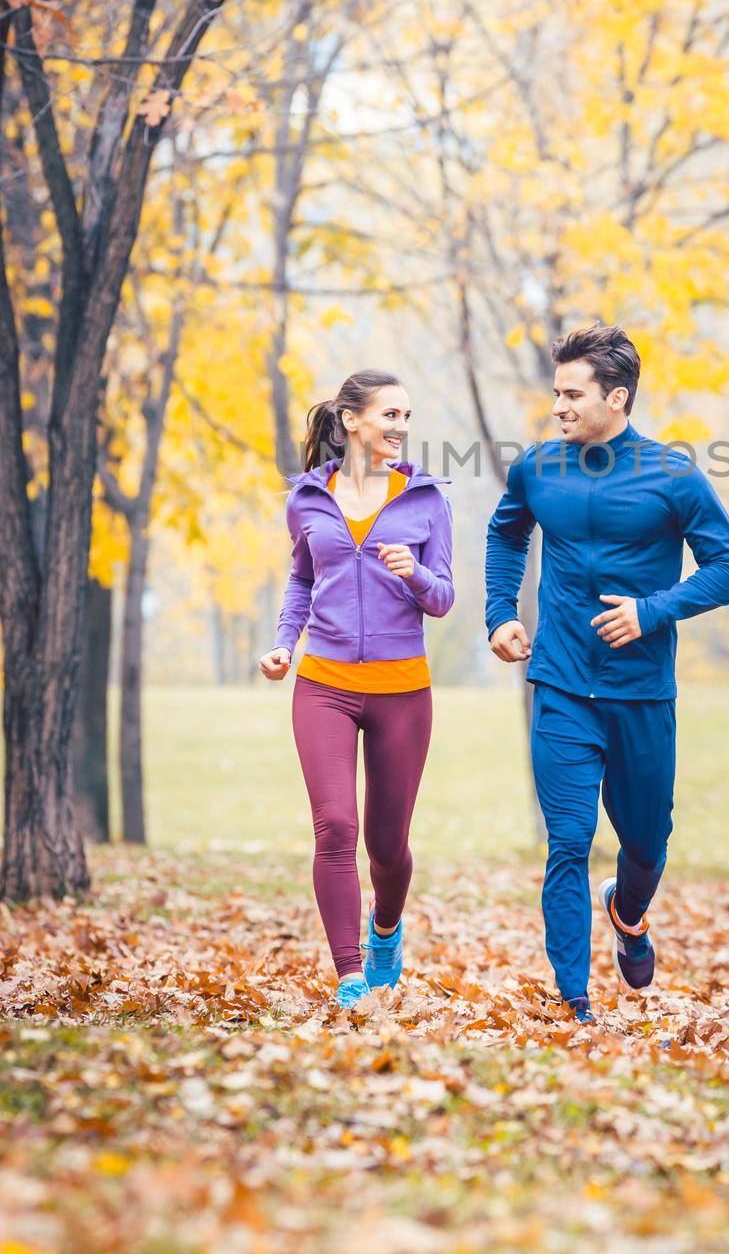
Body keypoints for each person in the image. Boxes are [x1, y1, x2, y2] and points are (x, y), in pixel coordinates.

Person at [484, 325, 729, 1023]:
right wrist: (498, 613)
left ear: (616, 397)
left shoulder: (671, 475)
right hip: (563, 685)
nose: (558, 407)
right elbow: (505, 532)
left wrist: (652, 612)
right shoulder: (537, 468)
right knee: (568, 841)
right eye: (556, 393)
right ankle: (577, 1002)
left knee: (645, 842)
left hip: (640, 694)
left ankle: (627, 914)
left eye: (572, 394)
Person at [259, 370, 454, 1011]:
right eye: (388, 415)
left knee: (387, 845)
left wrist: (417, 575)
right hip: (325, 683)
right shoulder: (307, 500)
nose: (400, 427)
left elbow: (445, 598)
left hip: (403, 690)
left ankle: (386, 932)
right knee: (335, 827)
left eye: (406, 415)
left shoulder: (425, 500)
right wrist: (286, 641)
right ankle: (349, 976)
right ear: (350, 420)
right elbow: (299, 581)